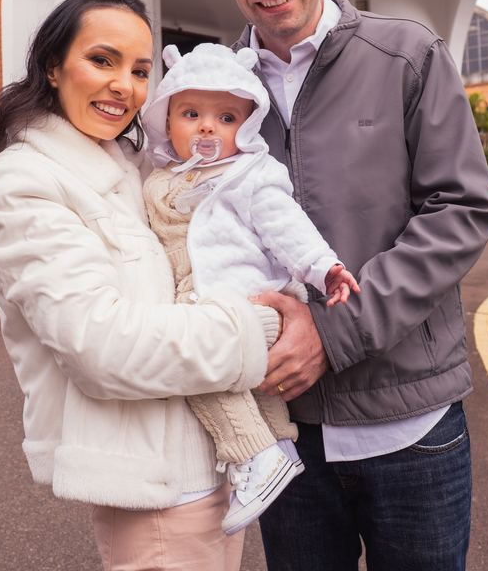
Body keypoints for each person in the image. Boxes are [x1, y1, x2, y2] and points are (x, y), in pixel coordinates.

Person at [211, 0, 488, 570]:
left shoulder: (408, 56)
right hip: (285, 437)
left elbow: (459, 211)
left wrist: (332, 333)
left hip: (415, 432)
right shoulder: (213, 92)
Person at [0, 0, 284, 571]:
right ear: (53, 68)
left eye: (140, 71)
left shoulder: (132, 166)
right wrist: (260, 326)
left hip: (211, 469)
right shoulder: (23, 184)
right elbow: (103, 347)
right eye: (102, 60)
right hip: (157, 492)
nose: (124, 86)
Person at [139, 40, 360, 535]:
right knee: (249, 383)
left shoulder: (249, 173)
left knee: (194, 364)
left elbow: (288, 226)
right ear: (166, 118)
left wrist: (323, 268)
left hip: (241, 294)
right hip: (199, 293)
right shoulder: (162, 175)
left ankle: (254, 455)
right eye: (191, 113)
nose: (206, 128)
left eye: (226, 118)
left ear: (249, 124)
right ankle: (279, 444)